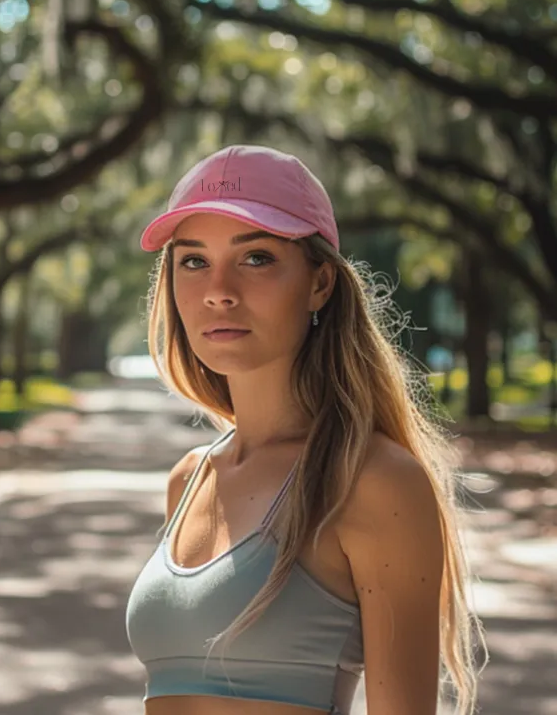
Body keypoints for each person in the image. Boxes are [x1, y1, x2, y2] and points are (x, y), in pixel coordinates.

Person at [125, 144, 487, 715]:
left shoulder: (372, 482)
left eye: (256, 258)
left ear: (320, 284)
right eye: (193, 261)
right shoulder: (190, 480)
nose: (218, 289)